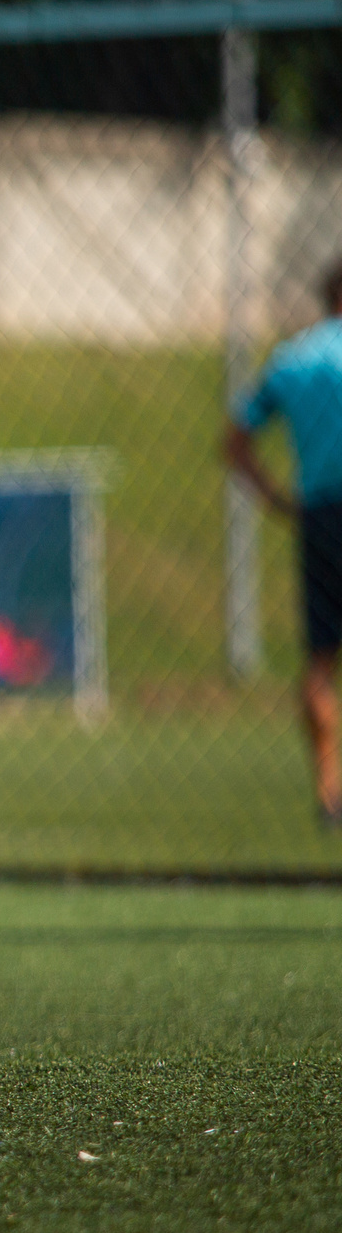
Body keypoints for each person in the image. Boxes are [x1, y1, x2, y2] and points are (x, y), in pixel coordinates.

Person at [223, 256, 342, 826]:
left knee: (320, 658)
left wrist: (274, 498)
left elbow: (235, 438)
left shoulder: (293, 359)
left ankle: (328, 789)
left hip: (318, 516)